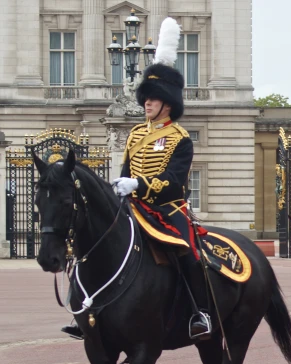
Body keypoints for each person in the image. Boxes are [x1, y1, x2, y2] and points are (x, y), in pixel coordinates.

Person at [62, 18, 211, 341]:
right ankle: (83, 309)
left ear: (167, 102)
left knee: (189, 251)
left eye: (153, 98)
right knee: (93, 243)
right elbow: (127, 170)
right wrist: (121, 185)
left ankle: (201, 314)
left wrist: (140, 186)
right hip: (133, 207)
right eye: (146, 98)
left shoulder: (180, 138)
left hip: (168, 209)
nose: (147, 103)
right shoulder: (134, 135)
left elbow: (174, 182)